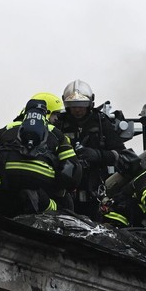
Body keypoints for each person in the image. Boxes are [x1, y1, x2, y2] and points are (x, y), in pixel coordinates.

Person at [0, 93, 81, 217]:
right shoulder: (56, 133)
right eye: (55, 115)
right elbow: (72, 170)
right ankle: (44, 203)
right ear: (47, 113)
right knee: (65, 205)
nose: (57, 119)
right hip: (40, 185)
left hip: (7, 186)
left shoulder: (5, 129)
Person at [55, 79, 133, 219]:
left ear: (90, 103)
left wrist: (98, 155)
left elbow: (122, 155)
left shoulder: (101, 123)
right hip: (65, 195)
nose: (78, 110)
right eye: (73, 106)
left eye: (82, 105)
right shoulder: (59, 124)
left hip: (95, 195)